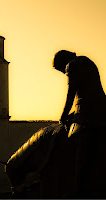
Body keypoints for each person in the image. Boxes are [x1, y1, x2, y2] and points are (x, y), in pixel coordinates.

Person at [52, 50, 106, 197]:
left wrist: (63, 116)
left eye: (61, 70)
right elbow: (87, 92)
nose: (64, 73)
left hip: (90, 114)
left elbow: (71, 94)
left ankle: (78, 189)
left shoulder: (72, 65)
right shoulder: (87, 61)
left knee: (81, 151)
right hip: (98, 107)